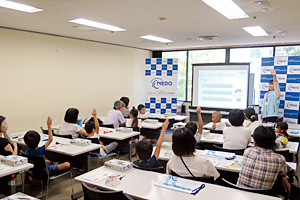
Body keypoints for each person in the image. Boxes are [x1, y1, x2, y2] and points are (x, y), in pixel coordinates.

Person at [237, 126, 290, 194]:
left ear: (255, 143)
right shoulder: (280, 159)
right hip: (263, 195)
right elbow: (283, 173)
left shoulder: (247, 152)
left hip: (240, 193)